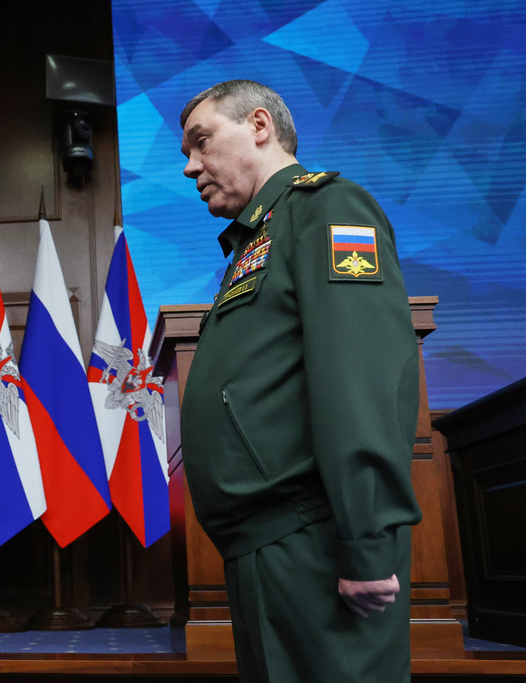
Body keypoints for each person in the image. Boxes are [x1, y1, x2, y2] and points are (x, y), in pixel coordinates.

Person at [178, 80, 422, 682]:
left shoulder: (328, 209)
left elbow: (360, 377)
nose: (190, 167)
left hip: (315, 541)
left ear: (259, 126)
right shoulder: (259, 239)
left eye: (201, 142)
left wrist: (366, 541)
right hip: (267, 545)